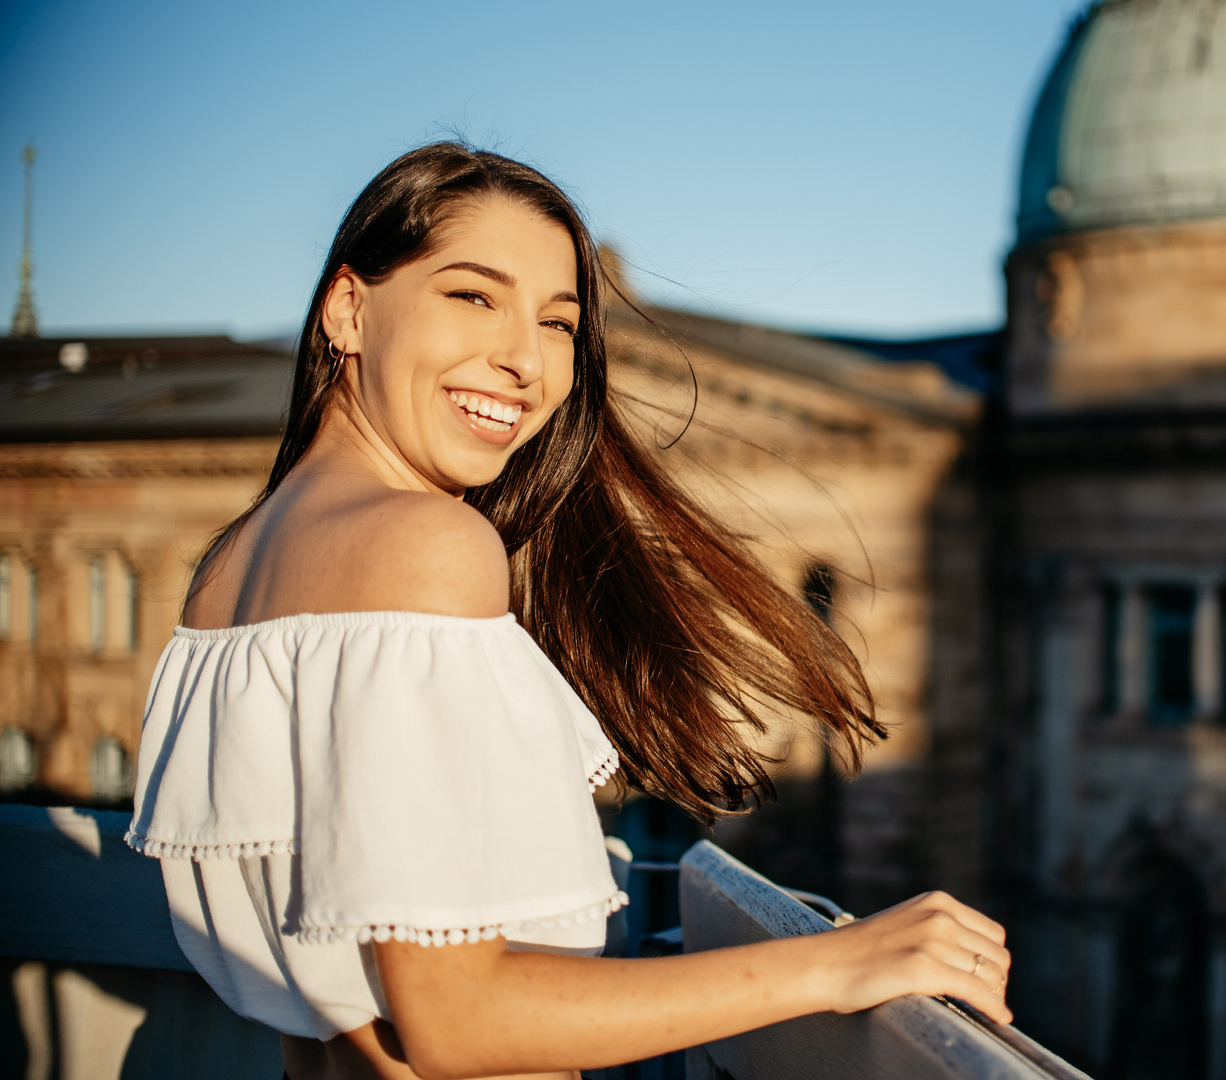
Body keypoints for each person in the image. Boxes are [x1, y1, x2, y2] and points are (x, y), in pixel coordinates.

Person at [127, 142, 1011, 1080]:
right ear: (349, 308)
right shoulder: (424, 550)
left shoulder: (229, 569)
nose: (523, 361)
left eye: (558, 323)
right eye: (472, 295)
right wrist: (843, 960)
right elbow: (456, 1021)